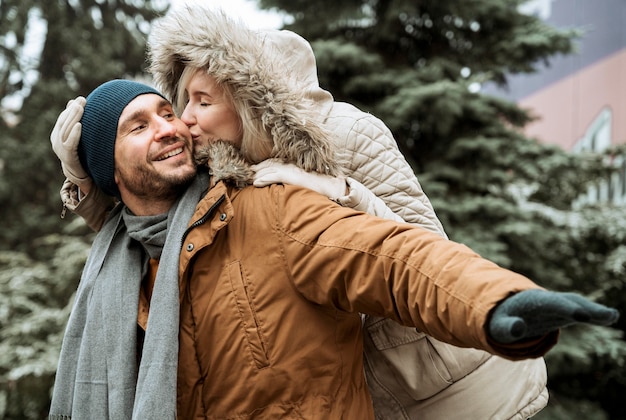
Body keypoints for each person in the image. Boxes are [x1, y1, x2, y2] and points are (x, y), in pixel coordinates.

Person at [48, 78, 619, 419]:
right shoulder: (116, 279)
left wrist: (497, 303)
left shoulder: (265, 210)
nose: (168, 128)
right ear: (108, 167)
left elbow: (395, 259)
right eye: (137, 126)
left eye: (167, 112)